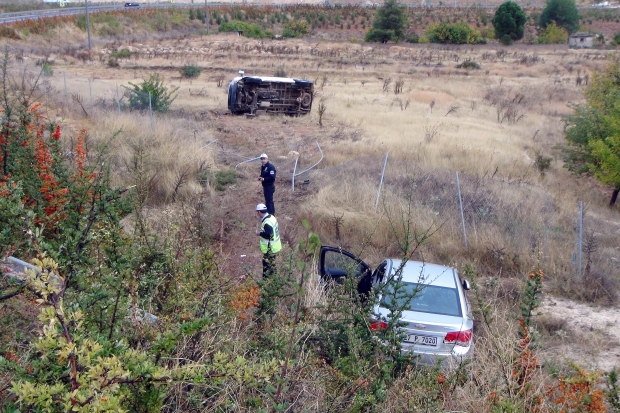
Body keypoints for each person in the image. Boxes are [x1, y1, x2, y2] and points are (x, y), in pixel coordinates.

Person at [256, 203, 281, 278]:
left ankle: (267, 283)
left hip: (269, 247)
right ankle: (274, 280)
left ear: (260, 212)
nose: (257, 214)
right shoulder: (272, 217)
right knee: (272, 265)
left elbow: (268, 235)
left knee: (267, 266)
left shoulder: (267, 223)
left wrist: (259, 233)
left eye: (257, 212)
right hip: (274, 246)